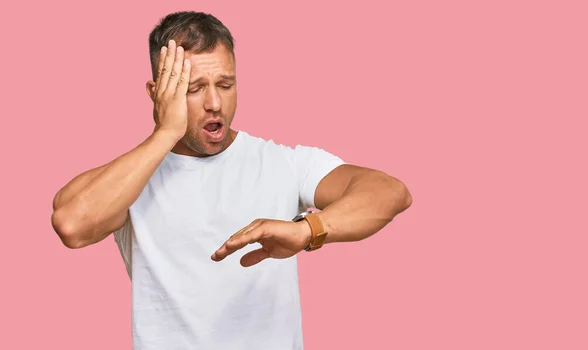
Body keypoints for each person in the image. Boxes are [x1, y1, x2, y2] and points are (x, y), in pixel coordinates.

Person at [50, 10, 413, 350]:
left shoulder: (281, 162)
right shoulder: (131, 181)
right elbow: (71, 225)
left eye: (225, 84)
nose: (214, 103)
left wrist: (308, 230)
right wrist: (165, 132)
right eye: (193, 89)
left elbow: (388, 192)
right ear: (156, 93)